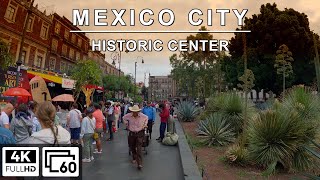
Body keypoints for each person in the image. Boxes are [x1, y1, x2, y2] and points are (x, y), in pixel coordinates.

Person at [123, 105, 148, 170]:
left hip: (140, 133)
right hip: (131, 133)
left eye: (136, 112)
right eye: (133, 112)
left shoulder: (142, 116)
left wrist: (145, 125)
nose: (135, 113)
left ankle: (139, 163)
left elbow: (146, 118)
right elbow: (123, 118)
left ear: (138, 111)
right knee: (132, 147)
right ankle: (134, 157)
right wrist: (126, 123)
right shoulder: (128, 115)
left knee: (139, 148)